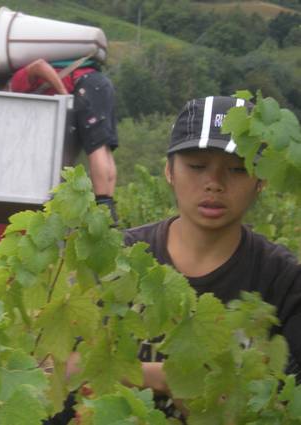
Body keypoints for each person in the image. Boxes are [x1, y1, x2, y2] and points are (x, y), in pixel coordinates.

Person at [125, 96, 301, 403]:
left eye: (236, 170)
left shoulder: (283, 281)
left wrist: (149, 375)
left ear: (260, 181)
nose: (214, 183)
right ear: (169, 171)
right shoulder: (123, 258)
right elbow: (75, 369)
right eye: (196, 166)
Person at [8, 58, 119, 223]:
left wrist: (64, 94)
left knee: (95, 147)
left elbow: (39, 66)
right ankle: (108, 207)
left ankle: (102, 205)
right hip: (100, 83)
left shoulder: (16, 83)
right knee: (104, 147)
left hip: (85, 85)